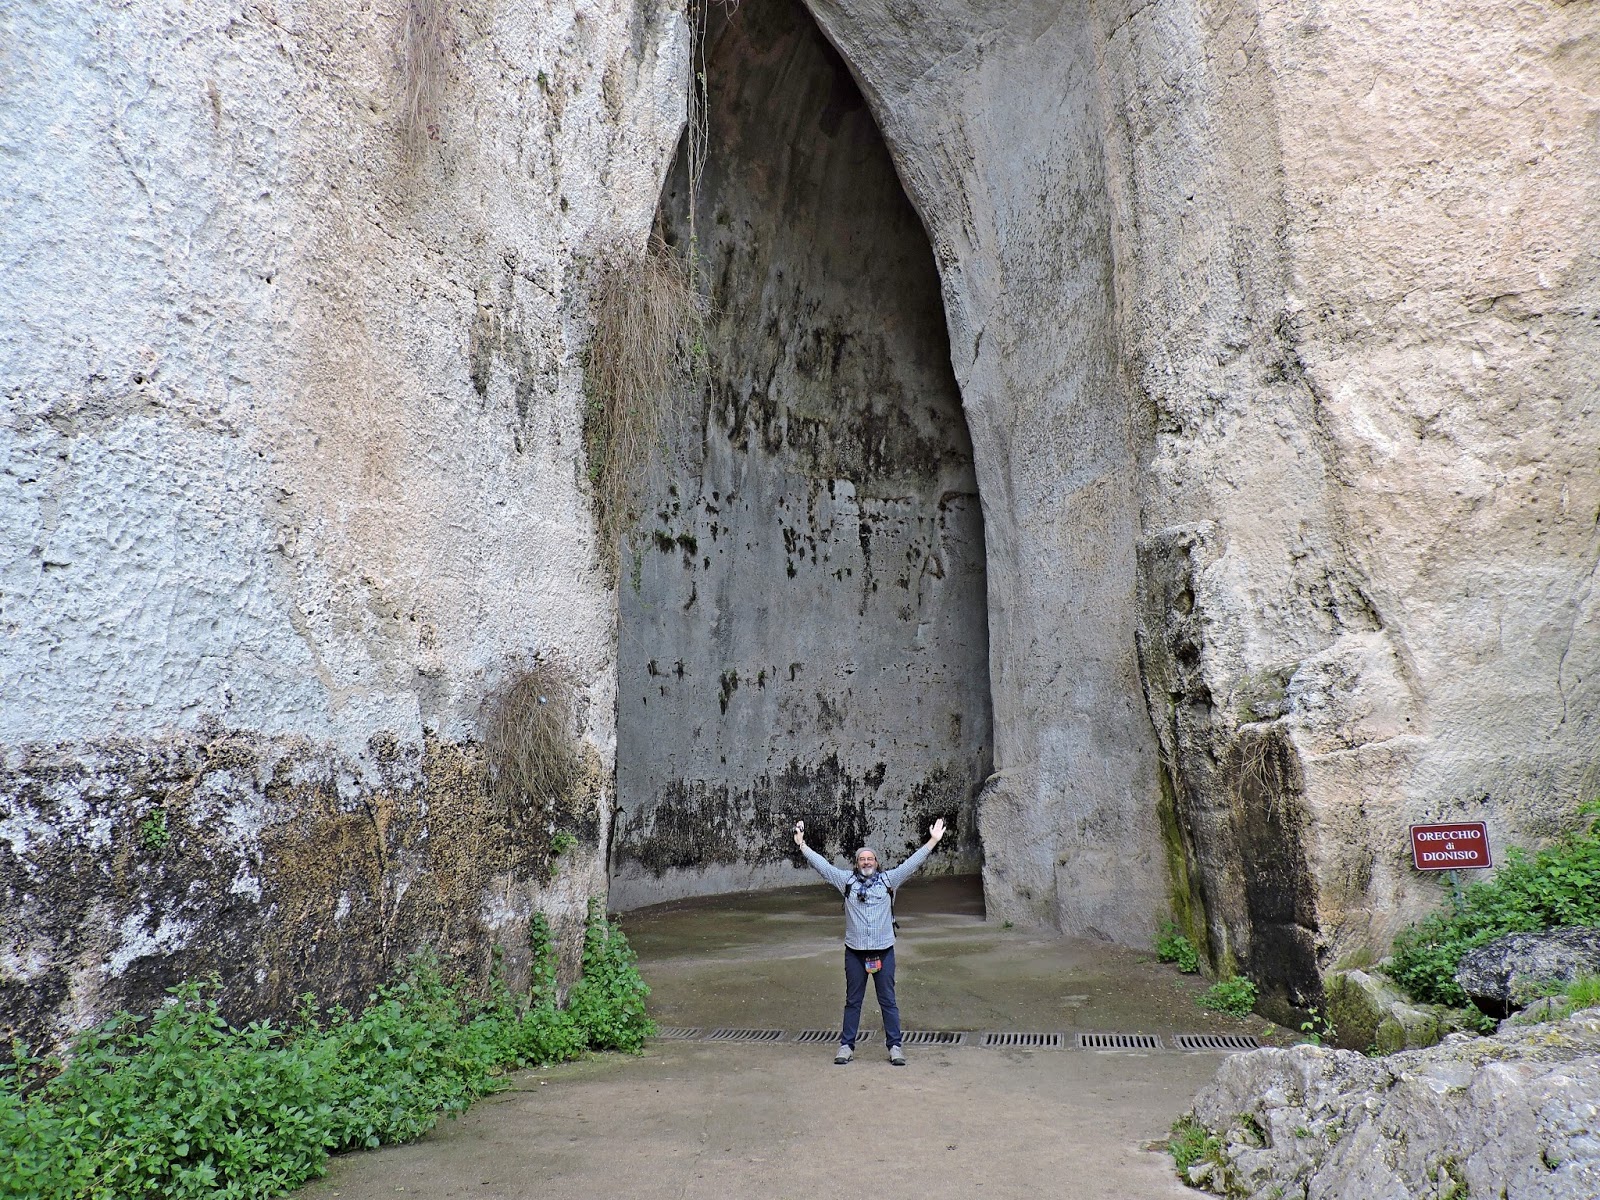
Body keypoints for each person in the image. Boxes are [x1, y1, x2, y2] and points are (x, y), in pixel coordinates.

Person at [793, 816, 946, 1066]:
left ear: (877, 862)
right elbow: (823, 866)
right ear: (856, 864)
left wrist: (933, 841)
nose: (866, 862)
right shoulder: (846, 881)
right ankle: (846, 1046)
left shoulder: (889, 880)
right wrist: (802, 845)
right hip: (855, 952)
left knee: (888, 1001)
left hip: (883, 951)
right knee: (853, 1001)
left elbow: (912, 863)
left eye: (870, 858)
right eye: (862, 859)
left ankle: (895, 1047)